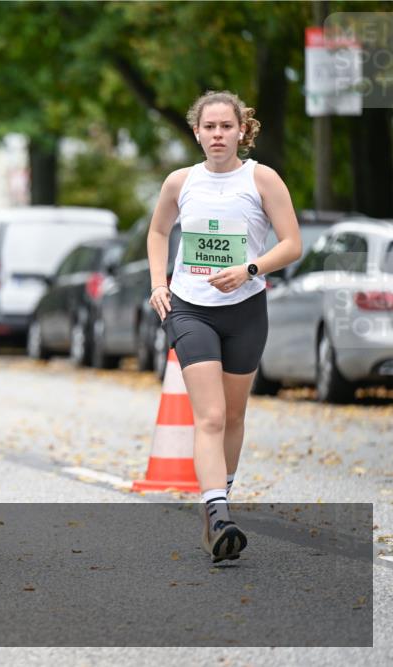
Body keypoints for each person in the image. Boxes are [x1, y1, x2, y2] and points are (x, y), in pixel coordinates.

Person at [147, 90, 301, 563]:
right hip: (191, 309)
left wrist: (250, 270)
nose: (217, 135)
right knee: (210, 416)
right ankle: (218, 514)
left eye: (225, 127)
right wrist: (159, 283)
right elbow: (158, 232)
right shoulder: (179, 181)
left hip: (246, 310)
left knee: (234, 416)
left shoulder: (262, 179)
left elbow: (292, 244)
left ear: (241, 131)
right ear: (196, 132)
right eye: (209, 127)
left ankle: (219, 500)